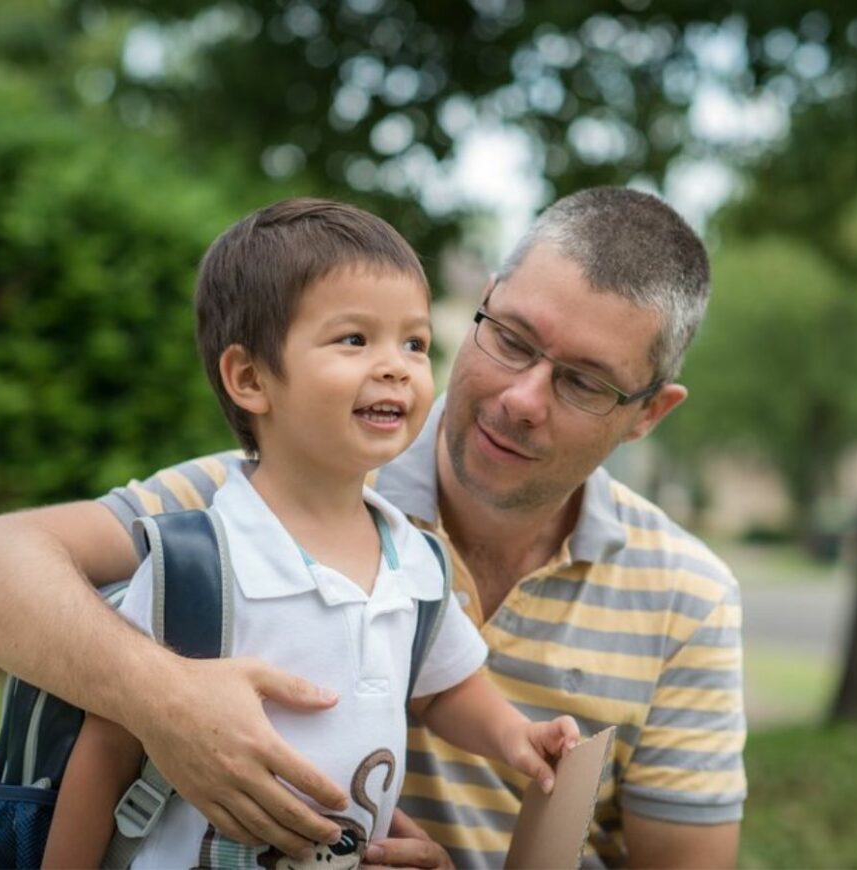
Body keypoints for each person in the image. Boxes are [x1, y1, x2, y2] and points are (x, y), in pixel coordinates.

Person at [0, 186, 746, 868]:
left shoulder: (688, 599)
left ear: (648, 416)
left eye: (583, 383)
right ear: (484, 306)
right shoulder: (247, 498)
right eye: (510, 339)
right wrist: (165, 701)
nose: (521, 399)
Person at [39, 198, 580, 869]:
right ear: (251, 378)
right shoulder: (199, 565)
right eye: (354, 339)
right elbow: (109, 747)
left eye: (414, 342)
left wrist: (515, 737)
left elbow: (443, 688)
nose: (396, 366)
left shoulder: (417, 560)